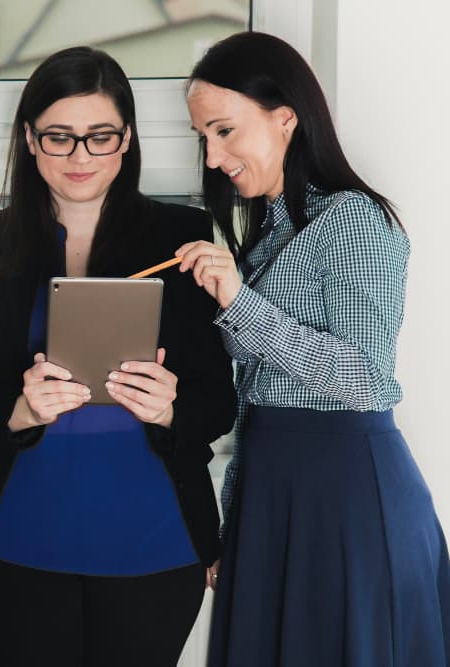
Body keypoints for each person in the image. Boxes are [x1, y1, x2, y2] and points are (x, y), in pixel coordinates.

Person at [0, 46, 236, 667]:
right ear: (28, 138)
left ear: (125, 139)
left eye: (99, 137)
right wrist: (17, 410)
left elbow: (219, 402)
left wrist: (173, 408)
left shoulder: (182, 237)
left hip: (156, 539)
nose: (78, 157)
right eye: (58, 138)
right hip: (13, 539)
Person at [177, 31, 450, 666]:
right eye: (203, 138)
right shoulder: (274, 231)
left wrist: (239, 304)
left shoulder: (353, 218)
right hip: (276, 492)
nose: (213, 156)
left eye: (224, 131)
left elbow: (363, 377)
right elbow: (255, 405)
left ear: (286, 118)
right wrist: (234, 521)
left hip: (343, 497)